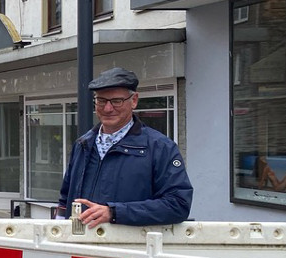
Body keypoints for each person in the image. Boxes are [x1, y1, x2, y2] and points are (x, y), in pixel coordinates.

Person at [57, 67, 193, 227]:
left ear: (134, 100)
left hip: (130, 248)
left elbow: (178, 205)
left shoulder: (160, 147)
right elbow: (65, 200)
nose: (108, 108)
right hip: (81, 246)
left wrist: (114, 212)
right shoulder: (83, 144)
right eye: (101, 101)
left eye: (116, 101)